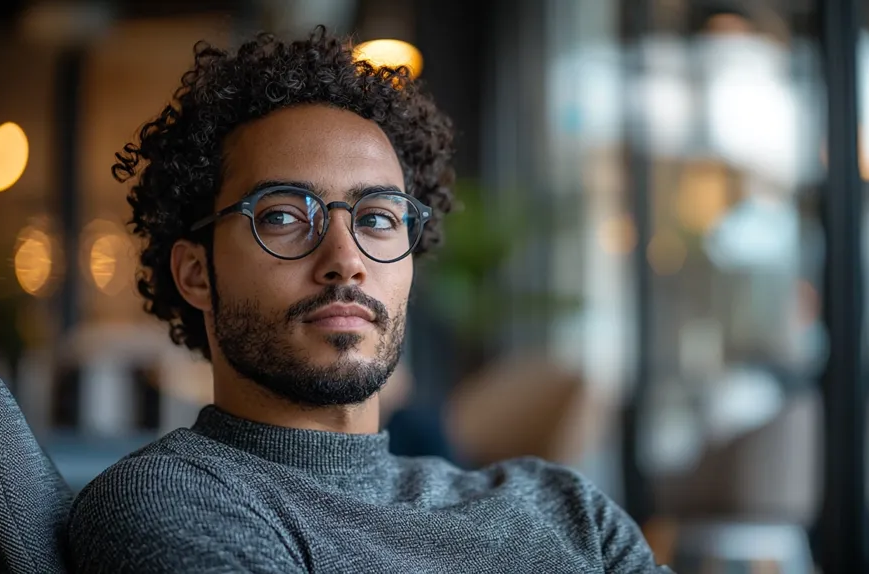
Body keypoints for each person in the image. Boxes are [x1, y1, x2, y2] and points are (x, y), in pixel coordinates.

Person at [66, 27, 672, 573]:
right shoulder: (174, 504)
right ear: (197, 274)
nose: (346, 259)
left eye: (377, 218)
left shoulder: (566, 509)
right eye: (281, 216)